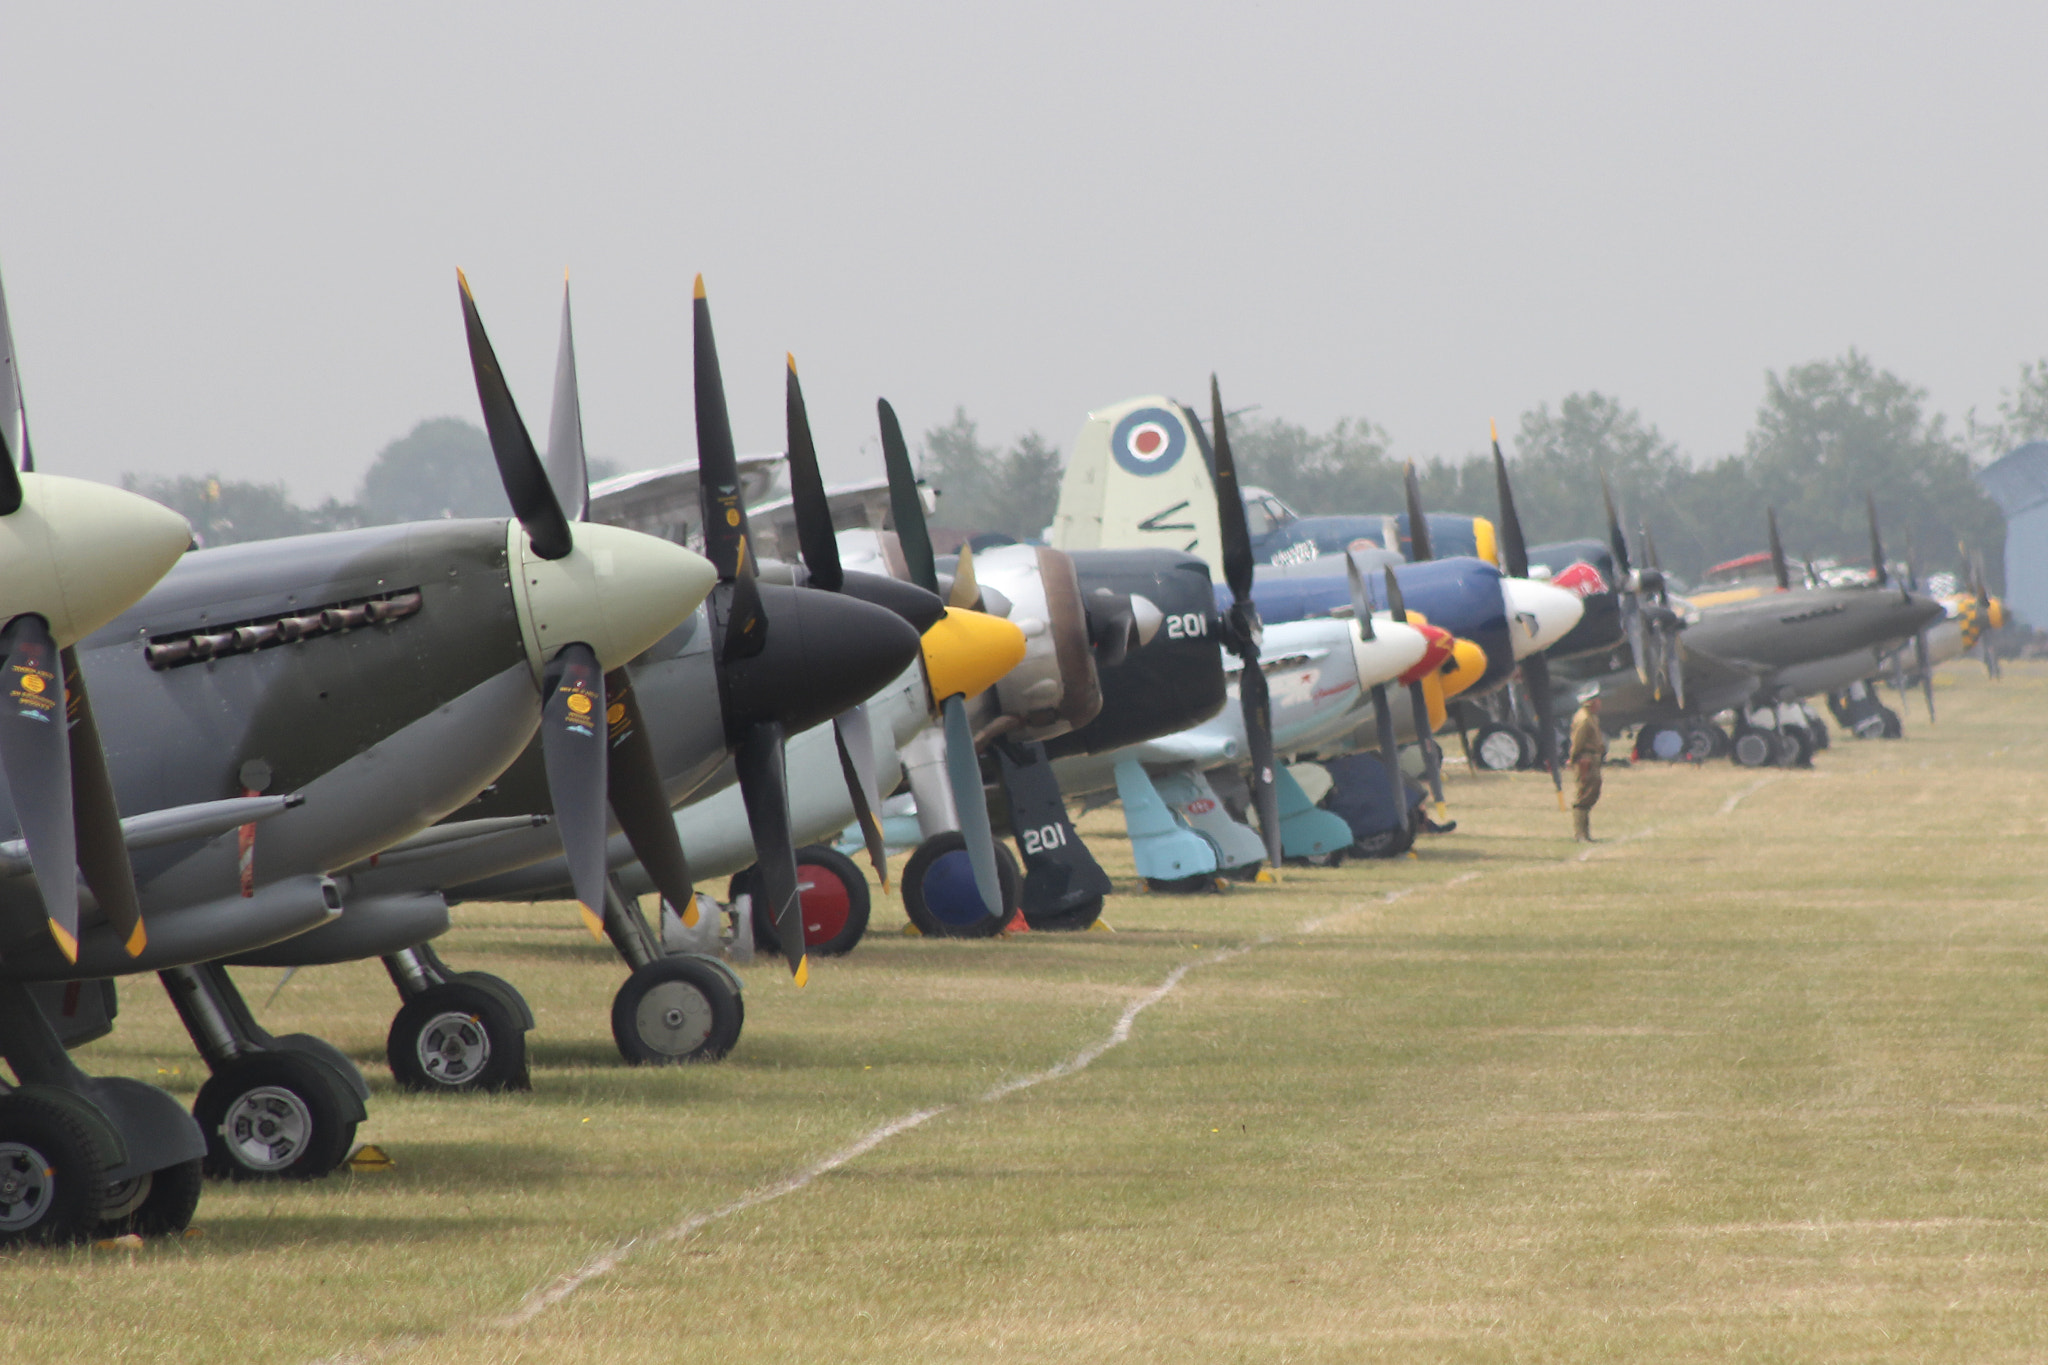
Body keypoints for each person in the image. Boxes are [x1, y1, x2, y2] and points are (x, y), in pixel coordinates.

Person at [1568, 684, 1605, 841]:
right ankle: (1580, 834)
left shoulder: (1591, 717)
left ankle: (1585, 833)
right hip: (1585, 760)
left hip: (1593, 759)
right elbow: (1578, 742)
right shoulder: (1583, 719)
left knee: (1592, 793)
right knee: (1584, 795)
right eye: (1596, 700)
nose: (1600, 703)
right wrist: (1573, 758)